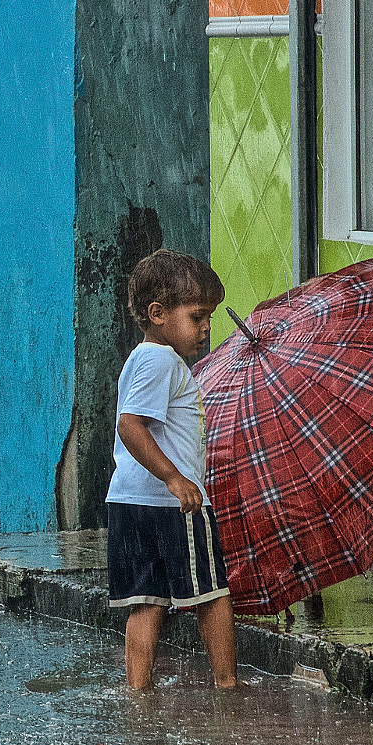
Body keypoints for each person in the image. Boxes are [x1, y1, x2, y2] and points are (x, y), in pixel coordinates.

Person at [108, 248, 238, 690]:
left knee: (146, 602)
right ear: (158, 313)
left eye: (209, 318)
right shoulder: (162, 361)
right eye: (198, 316)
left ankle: (138, 692)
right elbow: (130, 426)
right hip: (172, 504)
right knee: (212, 594)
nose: (206, 329)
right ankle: (227, 686)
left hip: (129, 501)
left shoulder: (141, 358)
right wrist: (175, 478)